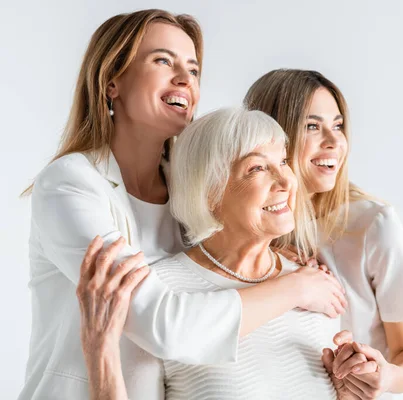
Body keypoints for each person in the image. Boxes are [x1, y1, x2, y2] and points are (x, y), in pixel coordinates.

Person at [20, 12, 345, 399]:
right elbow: (162, 326)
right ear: (111, 82)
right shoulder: (71, 184)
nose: (185, 79)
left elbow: (215, 265)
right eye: (163, 61)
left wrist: (278, 257)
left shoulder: (192, 187)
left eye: (193, 69)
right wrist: (294, 288)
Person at [79, 107, 345, 399]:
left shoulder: (318, 286)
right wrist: (99, 351)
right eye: (257, 168)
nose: (285, 182)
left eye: (282, 161)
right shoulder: (157, 291)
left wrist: (355, 391)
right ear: (209, 192)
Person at [244, 69, 403, 399]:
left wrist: (385, 377)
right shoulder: (249, 231)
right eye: (313, 126)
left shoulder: (372, 224)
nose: (333, 142)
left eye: (338, 125)